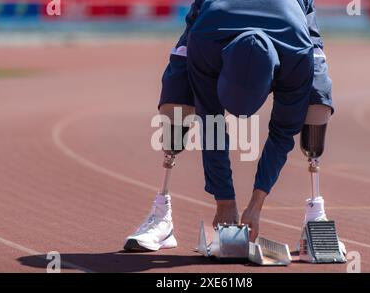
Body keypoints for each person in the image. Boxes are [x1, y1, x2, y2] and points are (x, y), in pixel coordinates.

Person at [124, 0, 334, 251]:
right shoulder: (204, 40)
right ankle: (161, 216)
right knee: (176, 108)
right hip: (211, 19)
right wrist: (224, 200)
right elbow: (210, 121)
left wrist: (257, 203)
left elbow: (282, 131)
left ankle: (315, 216)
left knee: (316, 108)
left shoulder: (297, 53)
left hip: (293, 18)